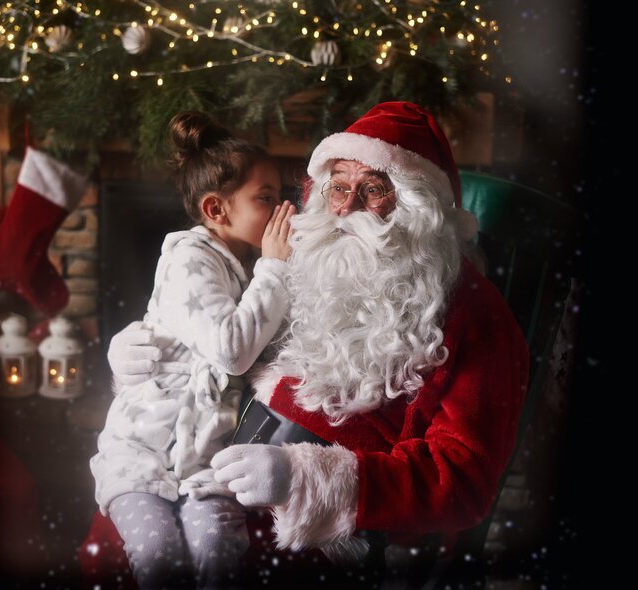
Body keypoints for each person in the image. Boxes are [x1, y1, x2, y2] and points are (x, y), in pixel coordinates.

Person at [102, 102, 528, 584]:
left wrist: (309, 479)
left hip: (338, 532)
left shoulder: (477, 316)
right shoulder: (316, 262)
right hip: (212, 468)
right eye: (338, 187)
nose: (345, 208)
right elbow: (226, 338)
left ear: (417, 205)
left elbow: (464, 482)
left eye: (371, 189)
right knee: (140, 529)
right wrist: (143, 356)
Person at [89, 111, 296, 589]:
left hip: (210, 458)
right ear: (216, 210)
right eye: (266, 199)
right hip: (144, 453)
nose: (282, 212)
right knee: (159, 551)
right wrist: (274, 268)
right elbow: (233, 350)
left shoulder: (250, 266)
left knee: (217, 551)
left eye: (282, 196)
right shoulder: (189, 257)